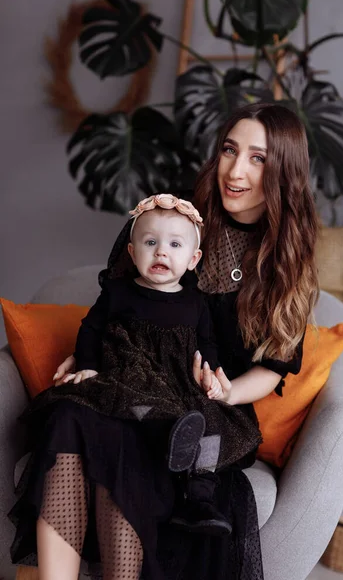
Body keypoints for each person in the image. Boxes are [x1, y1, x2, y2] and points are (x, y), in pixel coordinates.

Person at [9, 103, 319, 580]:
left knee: (139, 444)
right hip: (128, 379)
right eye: (229, 150)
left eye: (258, 158)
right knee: (70, 416)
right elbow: (114, 303)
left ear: (284, 170)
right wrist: (88, 356)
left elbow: (275, 365)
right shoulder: (172, 215)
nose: (235, 171)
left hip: (202, 402)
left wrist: (228, 391)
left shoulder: (285, 263)